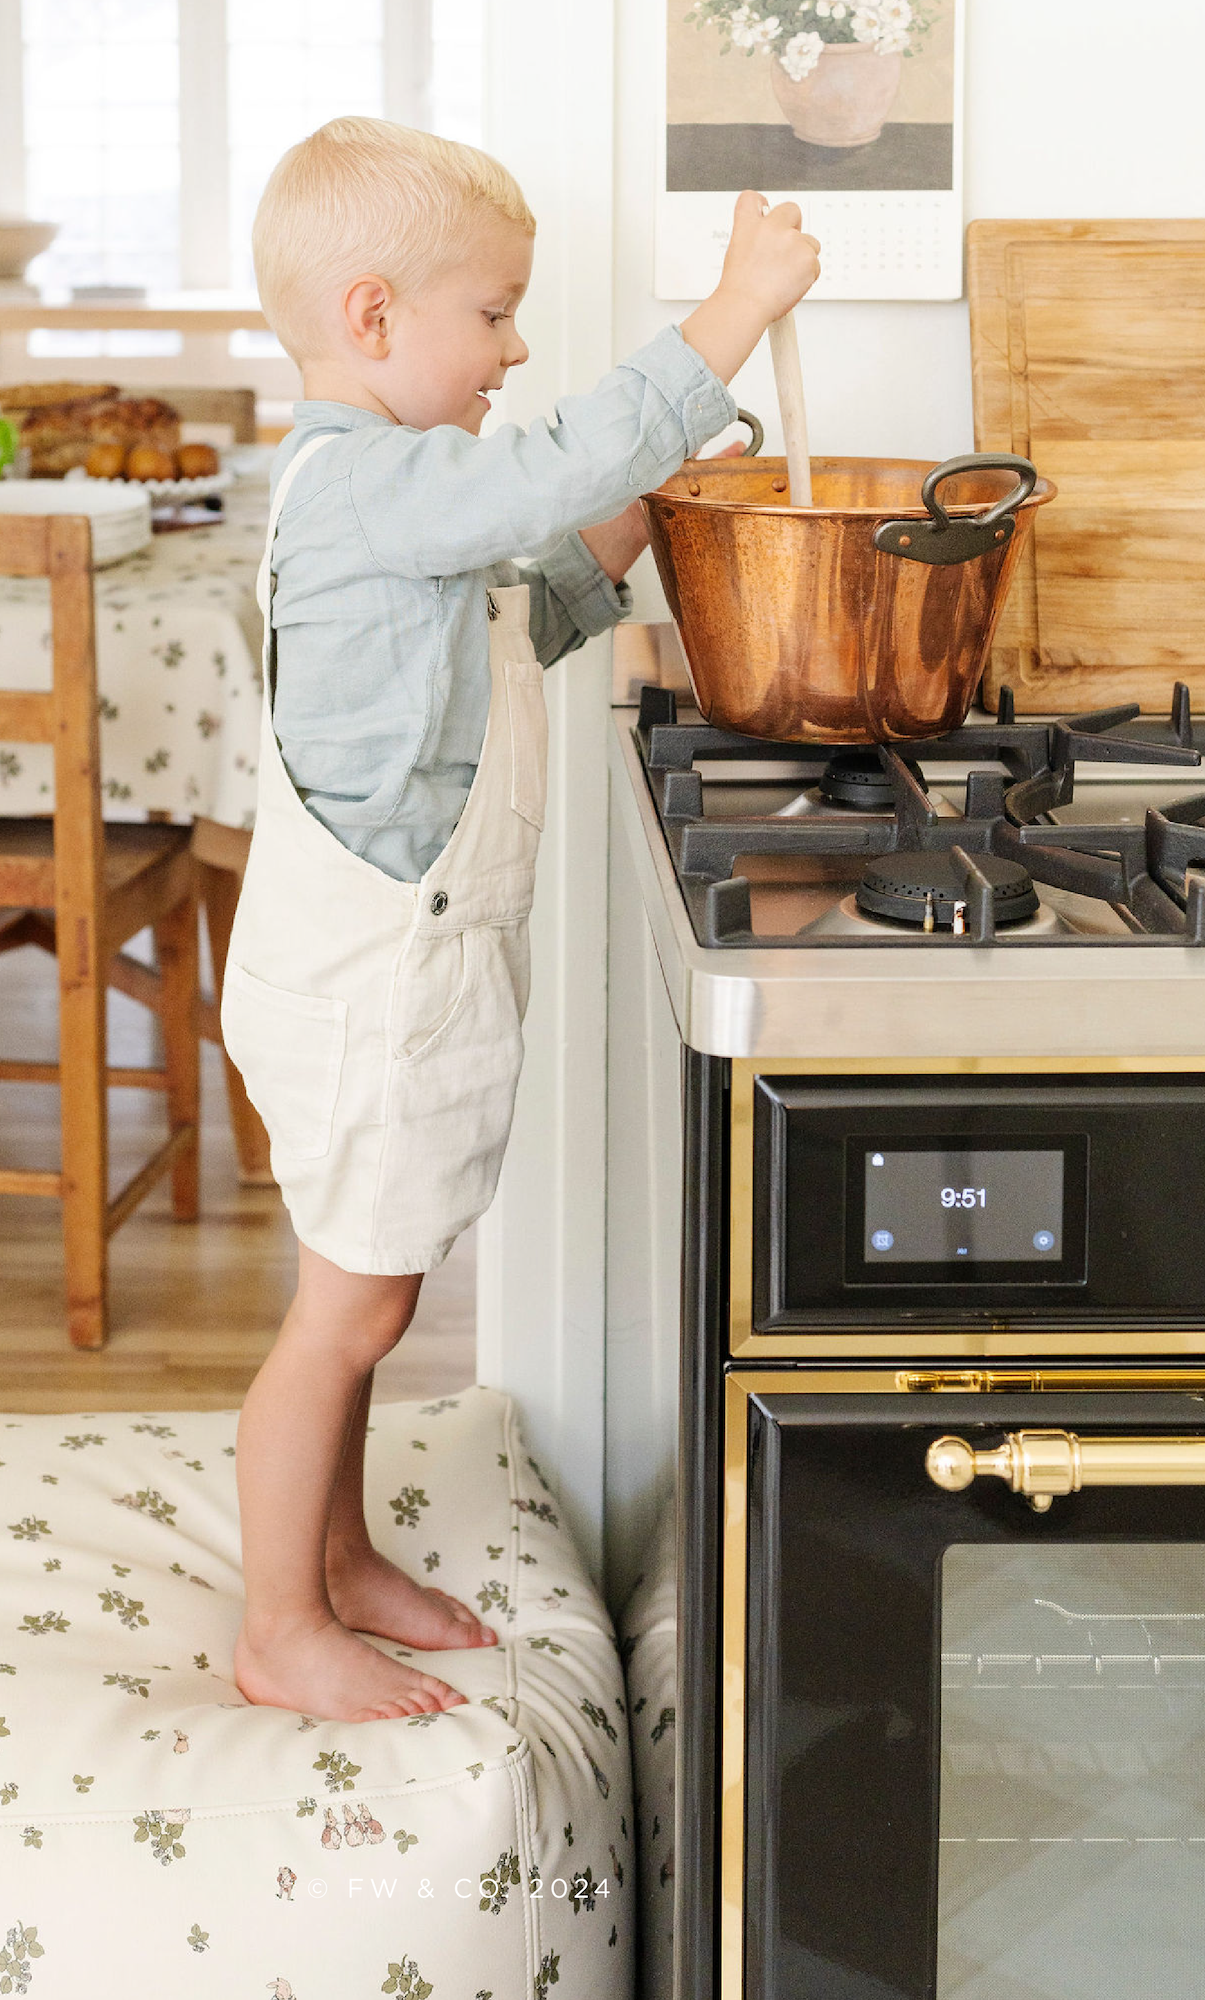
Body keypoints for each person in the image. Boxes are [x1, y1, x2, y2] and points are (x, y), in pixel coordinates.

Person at [223, 116, 819, 1721]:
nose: (515, 344)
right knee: (349, 1312)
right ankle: (279, 1622)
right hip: (368, 985)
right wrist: (727, 318)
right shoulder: (373, 484)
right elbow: (543, 475)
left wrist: (645, 512)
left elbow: (538, 596)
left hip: (379, 970)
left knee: (370, 1289)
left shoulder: (410, 514)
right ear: (371, 319)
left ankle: (337, 1562)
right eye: (491, 314)